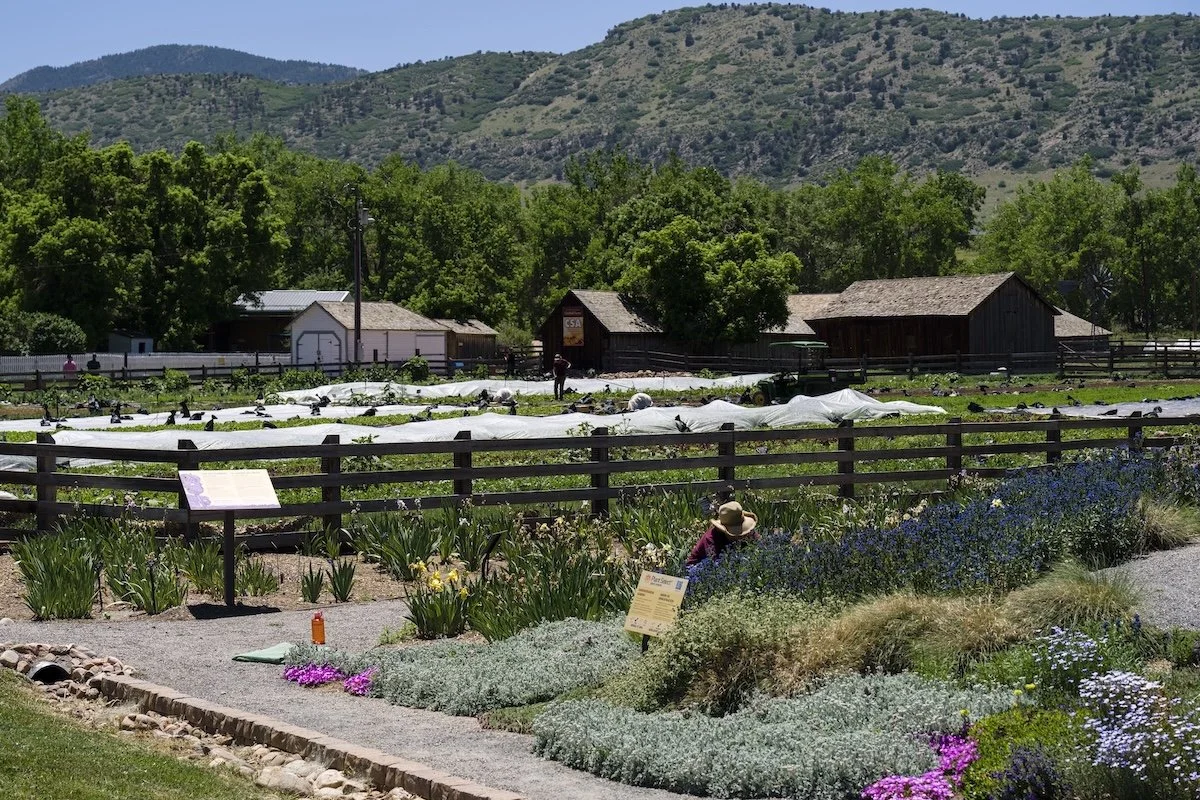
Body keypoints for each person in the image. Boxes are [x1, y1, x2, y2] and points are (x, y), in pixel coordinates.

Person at [685, 501, 759, 567]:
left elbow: (760, 544)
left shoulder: (749, 532)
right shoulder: (712, 538)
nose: (741, 535)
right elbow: (717, 566)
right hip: (699, 570)